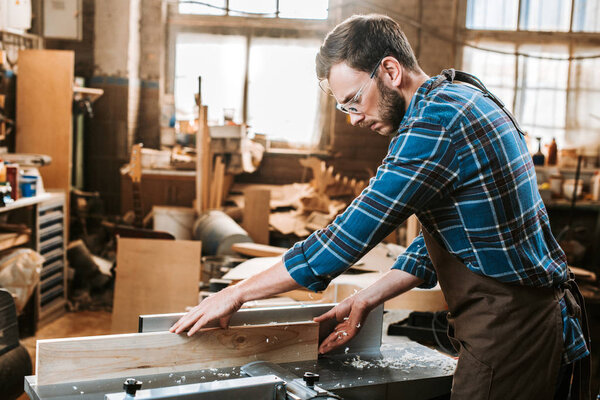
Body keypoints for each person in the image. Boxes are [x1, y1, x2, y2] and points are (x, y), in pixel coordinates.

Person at [170, 14, 591, 399]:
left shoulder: (435, 125)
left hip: (512, 328)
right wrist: (367, 297)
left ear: (390, 70)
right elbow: (453, 235)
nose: (353, 118)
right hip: (524, 317)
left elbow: (343, 240)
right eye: (343, 108)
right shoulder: (459, 96)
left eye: (355, 101)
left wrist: (235, 294)